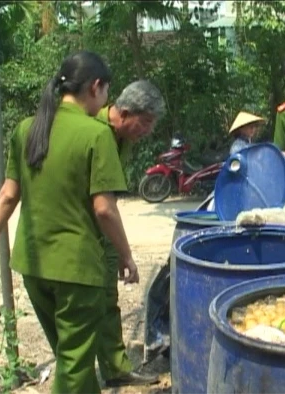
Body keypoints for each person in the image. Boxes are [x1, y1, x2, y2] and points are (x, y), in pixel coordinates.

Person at [0, 51, 138, 394]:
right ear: (96, 87)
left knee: (74, 362)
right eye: (106, 92)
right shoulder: (96, 135)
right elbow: (104, 210)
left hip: (34, 268)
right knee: (73, 367)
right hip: (76, 272)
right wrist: (126, 256)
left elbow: (7, 197)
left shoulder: (28, 128)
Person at [95, 80, 165, 388]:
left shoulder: (123, 138)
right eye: (146, 122)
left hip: (104, 232)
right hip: (82, 232)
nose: (148, 131)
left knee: (109, 302)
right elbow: (100, 206)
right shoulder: (91, 130)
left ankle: (115, 369)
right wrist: (126, 253)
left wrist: (118, 250)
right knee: (85, 308)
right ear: (124, 112)